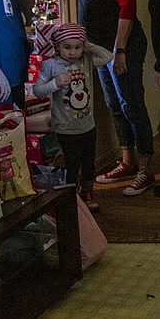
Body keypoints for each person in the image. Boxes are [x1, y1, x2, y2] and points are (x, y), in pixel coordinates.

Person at [73, 0, 157, 196]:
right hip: (100, 49)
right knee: (114, 105)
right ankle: (127, 161)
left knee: (131, 104)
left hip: (121, 47)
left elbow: (126, 7)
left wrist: (120, 50)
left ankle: (146, 169)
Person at [32, 23, 112, 212]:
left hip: (87, 125)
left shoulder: (85, 60)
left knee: (88, 162)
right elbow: (37, 90)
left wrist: (88, 46)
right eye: (67, 47)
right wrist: (55, 83)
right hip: (65, 128)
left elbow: (108, 57)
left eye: (77, 47)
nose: (72, 52)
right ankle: (70, 196)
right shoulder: (50, 65)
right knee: (72, 163)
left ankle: (87, 191)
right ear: (57, 46)